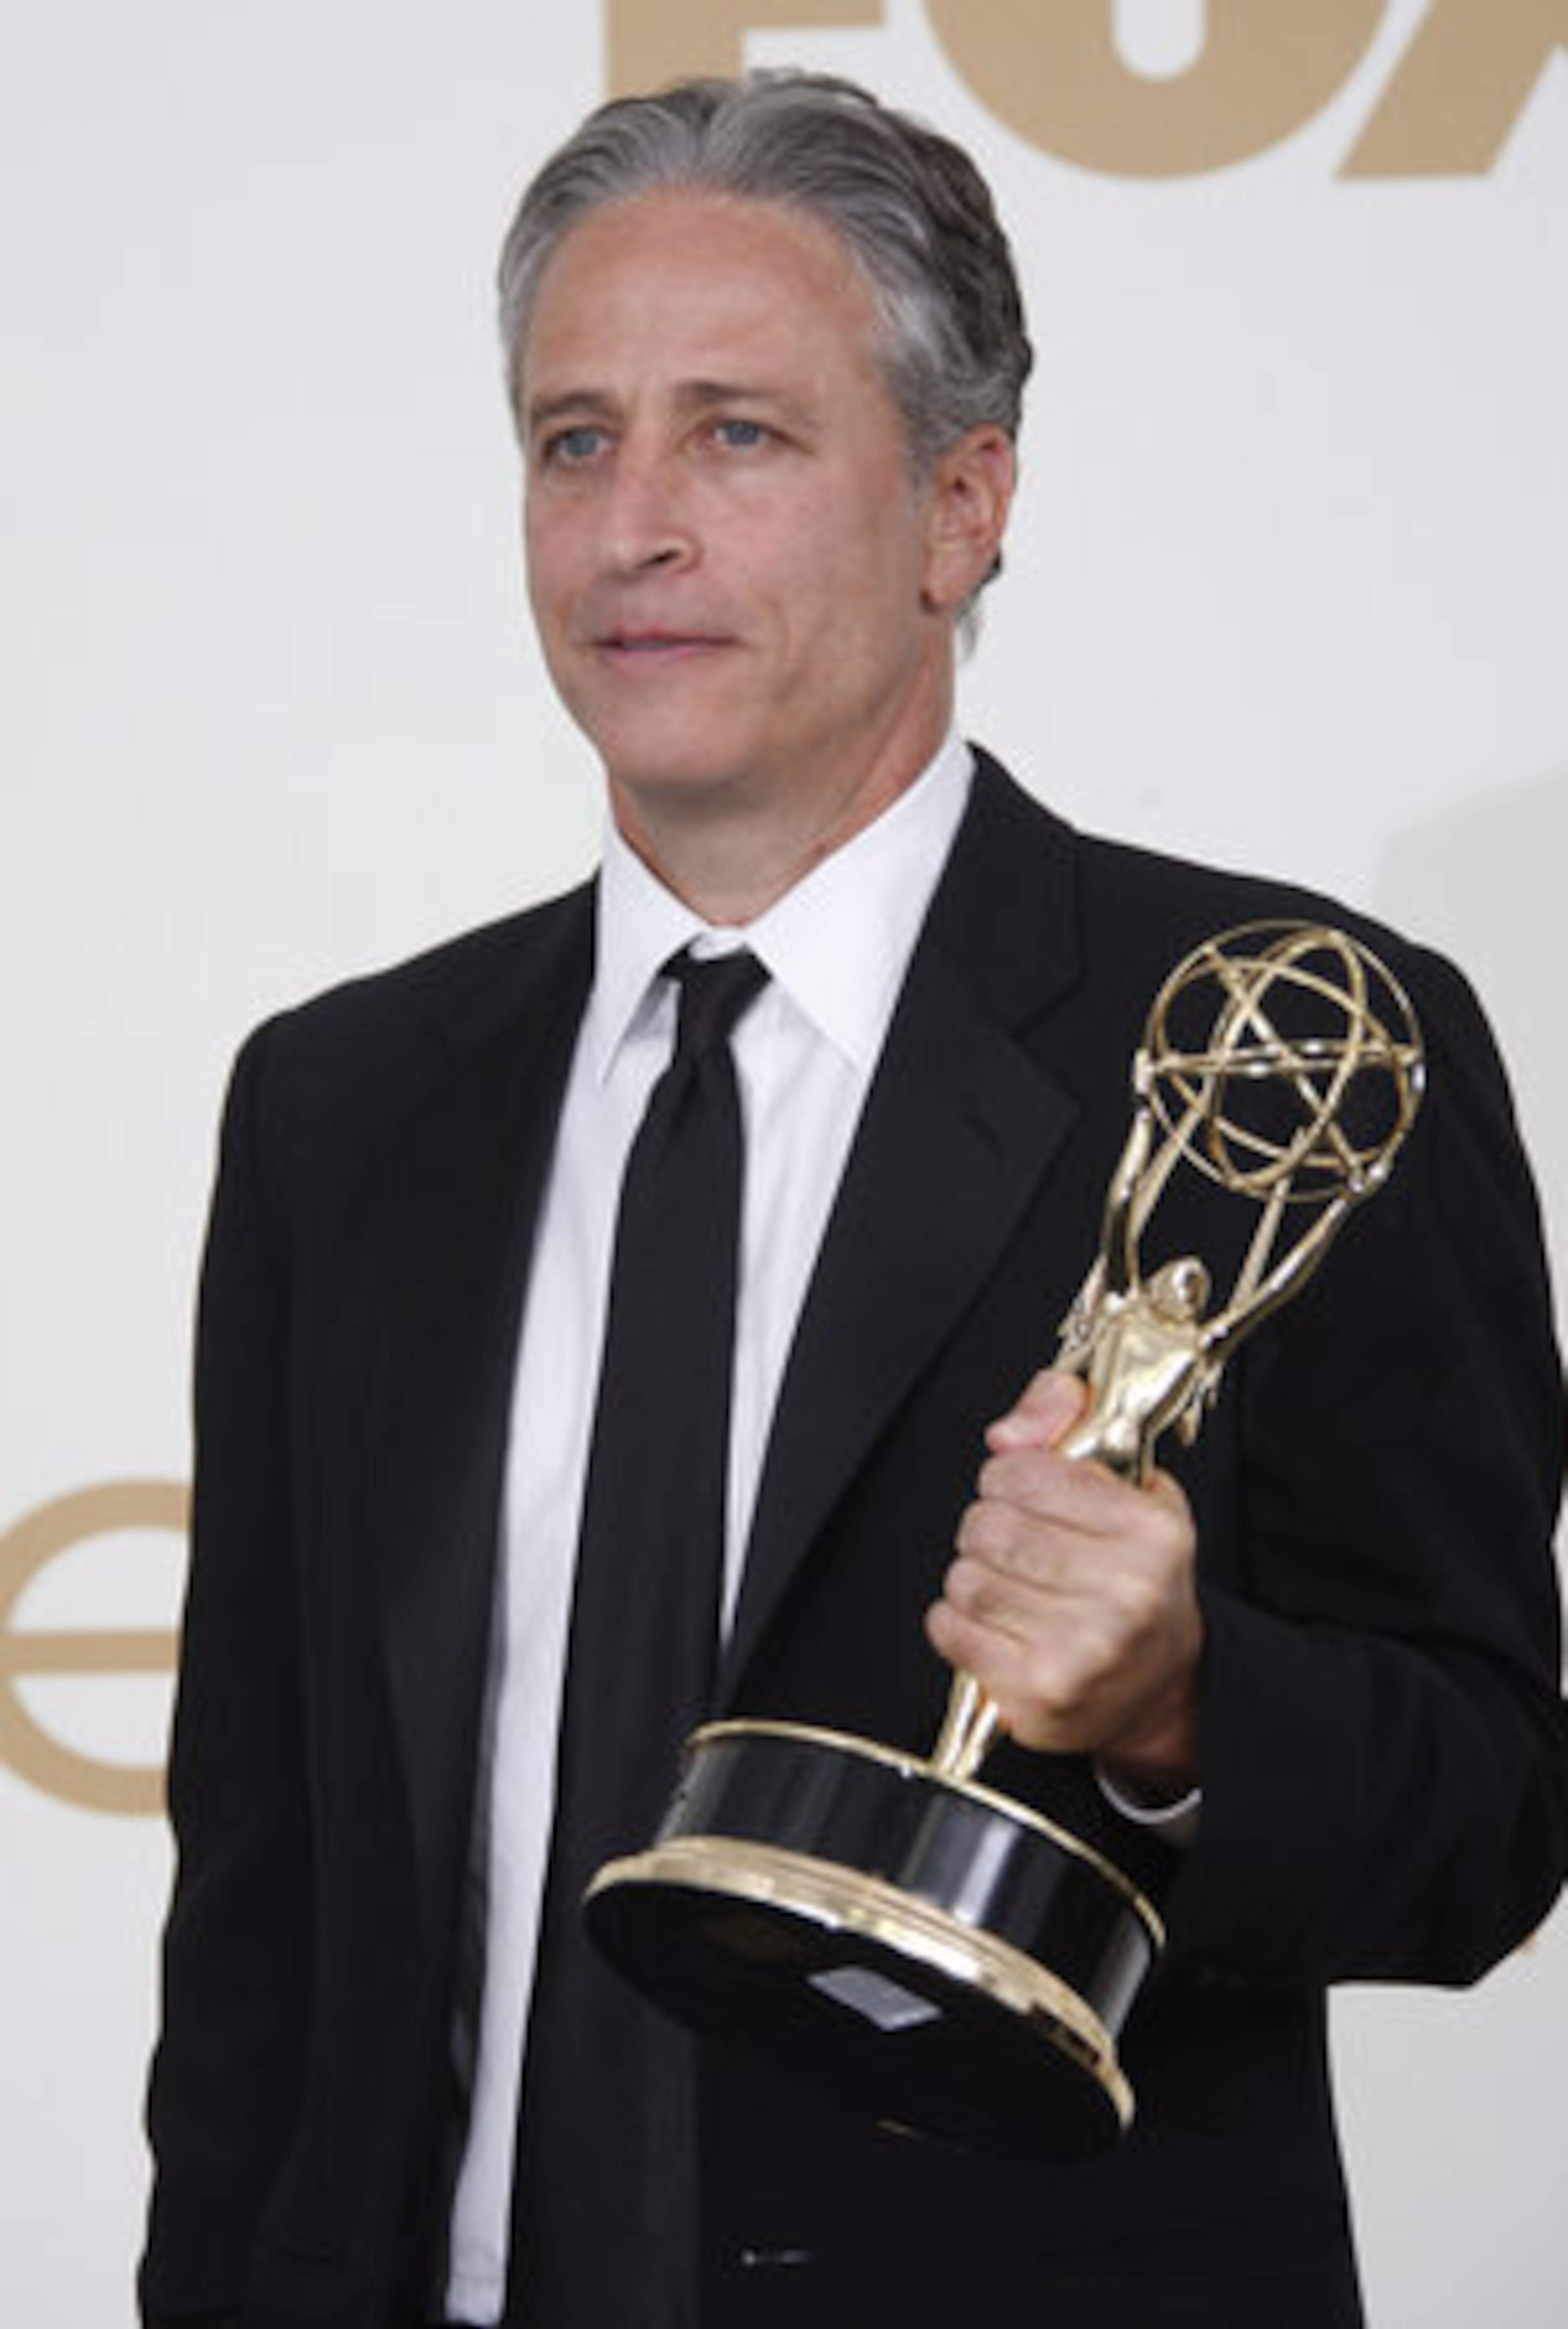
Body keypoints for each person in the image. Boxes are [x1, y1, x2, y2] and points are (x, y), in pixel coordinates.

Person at [139, 69, 1568, 2329]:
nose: (634, 529)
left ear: (961, 504)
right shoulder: (342, 1108)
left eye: (740, 433)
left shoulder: (1281, 1046)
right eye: (574, 437)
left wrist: (1190, 1701)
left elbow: (1490, 1812)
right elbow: (262, 1926)